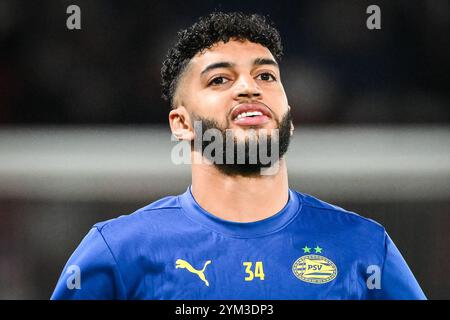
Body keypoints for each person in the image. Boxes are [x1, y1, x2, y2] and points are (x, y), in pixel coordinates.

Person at [51, 11, 426, 300]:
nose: (249, 87)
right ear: (181, 125)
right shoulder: (120, 251)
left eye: (266, 76)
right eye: (219, 79)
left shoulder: (364, 246)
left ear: (289, 120)